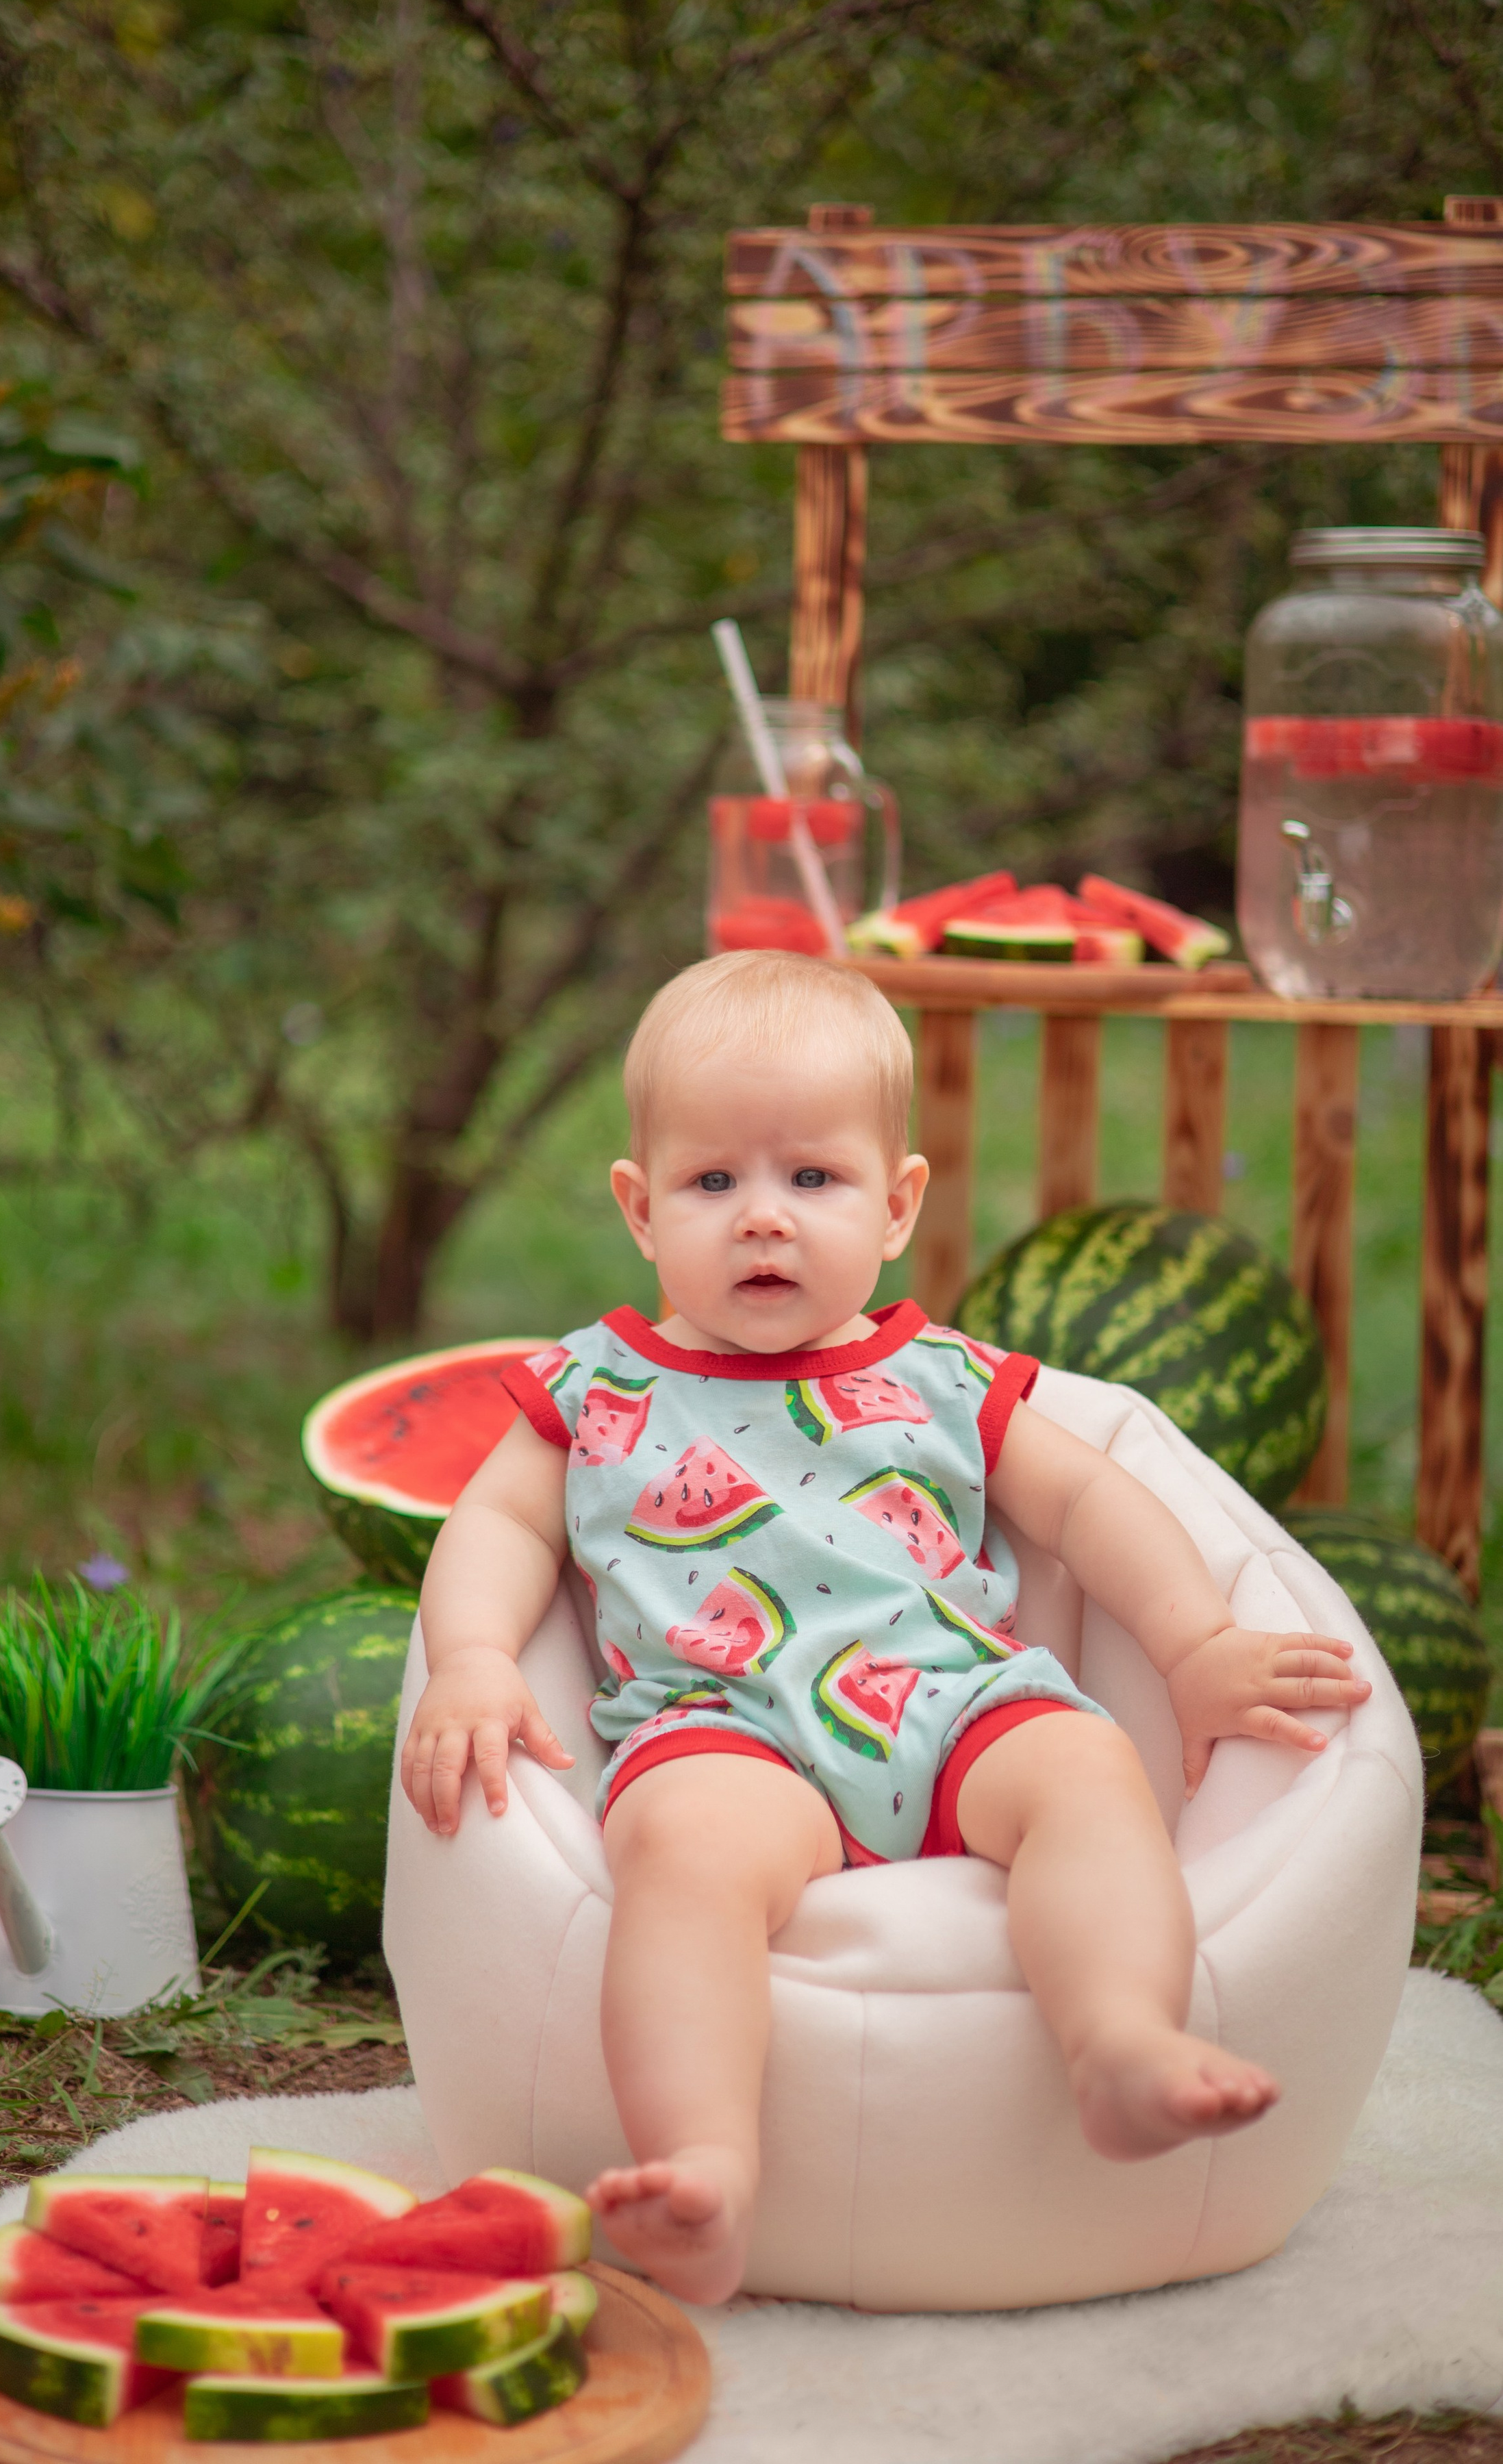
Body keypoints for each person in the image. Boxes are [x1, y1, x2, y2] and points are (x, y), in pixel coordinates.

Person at [399, 951, 1370, 2306]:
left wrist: (1196, 1647)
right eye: (709, 1183)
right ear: (636, 1208)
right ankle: (703, 2164)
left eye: (811, 1180)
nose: (760, 1222)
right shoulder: (590, 1385)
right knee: (678, 1857)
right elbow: (499, 1527)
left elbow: (1093, 1502)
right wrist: (474, 1660)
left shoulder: (943, 1375)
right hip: (719, 1727)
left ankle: (1120, 2045)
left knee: (1087, 1778)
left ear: (897, 1203)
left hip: (952, 1702)